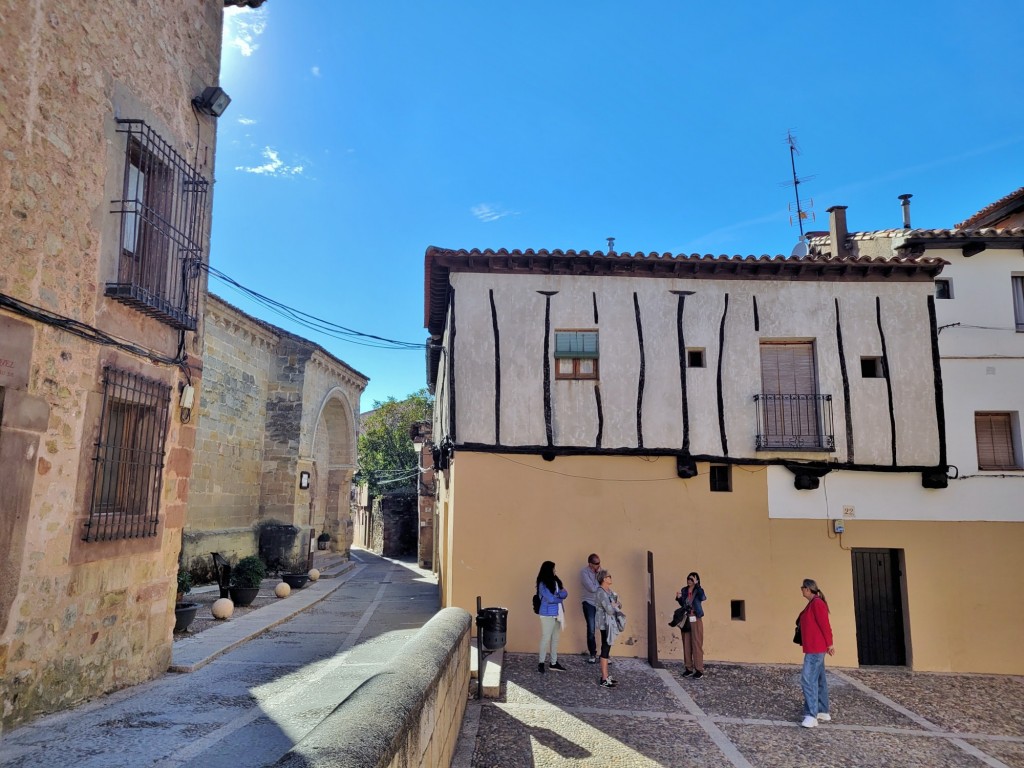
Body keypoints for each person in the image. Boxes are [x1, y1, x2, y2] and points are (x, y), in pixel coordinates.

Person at [797, 578, 834, 727]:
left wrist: (830, 643)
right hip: (815, 647)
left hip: (815, 648)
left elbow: (825, 624)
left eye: (802, 588)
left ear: (807, 589)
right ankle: (822, 710)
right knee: (819, 680)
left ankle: (811, 715)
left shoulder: (817, 604)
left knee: (807, 679)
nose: (801, 590)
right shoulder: (814, 603)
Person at [536, 561, 569, 674]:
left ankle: (553, 663)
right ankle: (541, 663)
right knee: (546, 638)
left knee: (555, 638)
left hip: (557, 613)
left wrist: (558, 595)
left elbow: (565, 593)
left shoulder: (556, 581)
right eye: (553, 568)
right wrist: (559, 597)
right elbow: (550, 599)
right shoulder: (542, 584)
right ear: (548, 570)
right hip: (546, 614)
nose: (555, 570)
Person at [595, 569, 624, 688]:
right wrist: (613, 605)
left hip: (610, 623)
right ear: (603, 579)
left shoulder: (609, 591)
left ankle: (606, 676)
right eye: (609, 576)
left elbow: (619, 604)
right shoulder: (601, 592)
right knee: (605, 648)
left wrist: (615, 603)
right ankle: (604, 678)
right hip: (604, 624)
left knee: (607, 647)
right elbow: (610, 610)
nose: (611, 578)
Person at [675, 571, 708, 679]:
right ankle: (688, 668)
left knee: (697, 643)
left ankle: (699, 669)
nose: (689, 580)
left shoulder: (698, 590)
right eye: (688, 578)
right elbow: (683, 604)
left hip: (696, 619)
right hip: (687, 618)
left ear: (696, 580)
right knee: (686, 643)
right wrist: (679, 598)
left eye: (692, 579)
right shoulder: (684, 590)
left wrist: (697, 585)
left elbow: (703, 598)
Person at [580, 553, 602, 664]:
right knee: (591, 629)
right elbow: (592, 588)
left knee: (604, 629)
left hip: (600, 603)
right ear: (590, 564)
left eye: (599, 562)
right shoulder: (584, 572)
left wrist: (599, 578)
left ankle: (604, 655)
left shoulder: (601, 572)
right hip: (589, 603)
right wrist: (600, 582)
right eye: (596, 563)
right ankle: (592, 654)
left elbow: (606, 585)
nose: (599, 565)